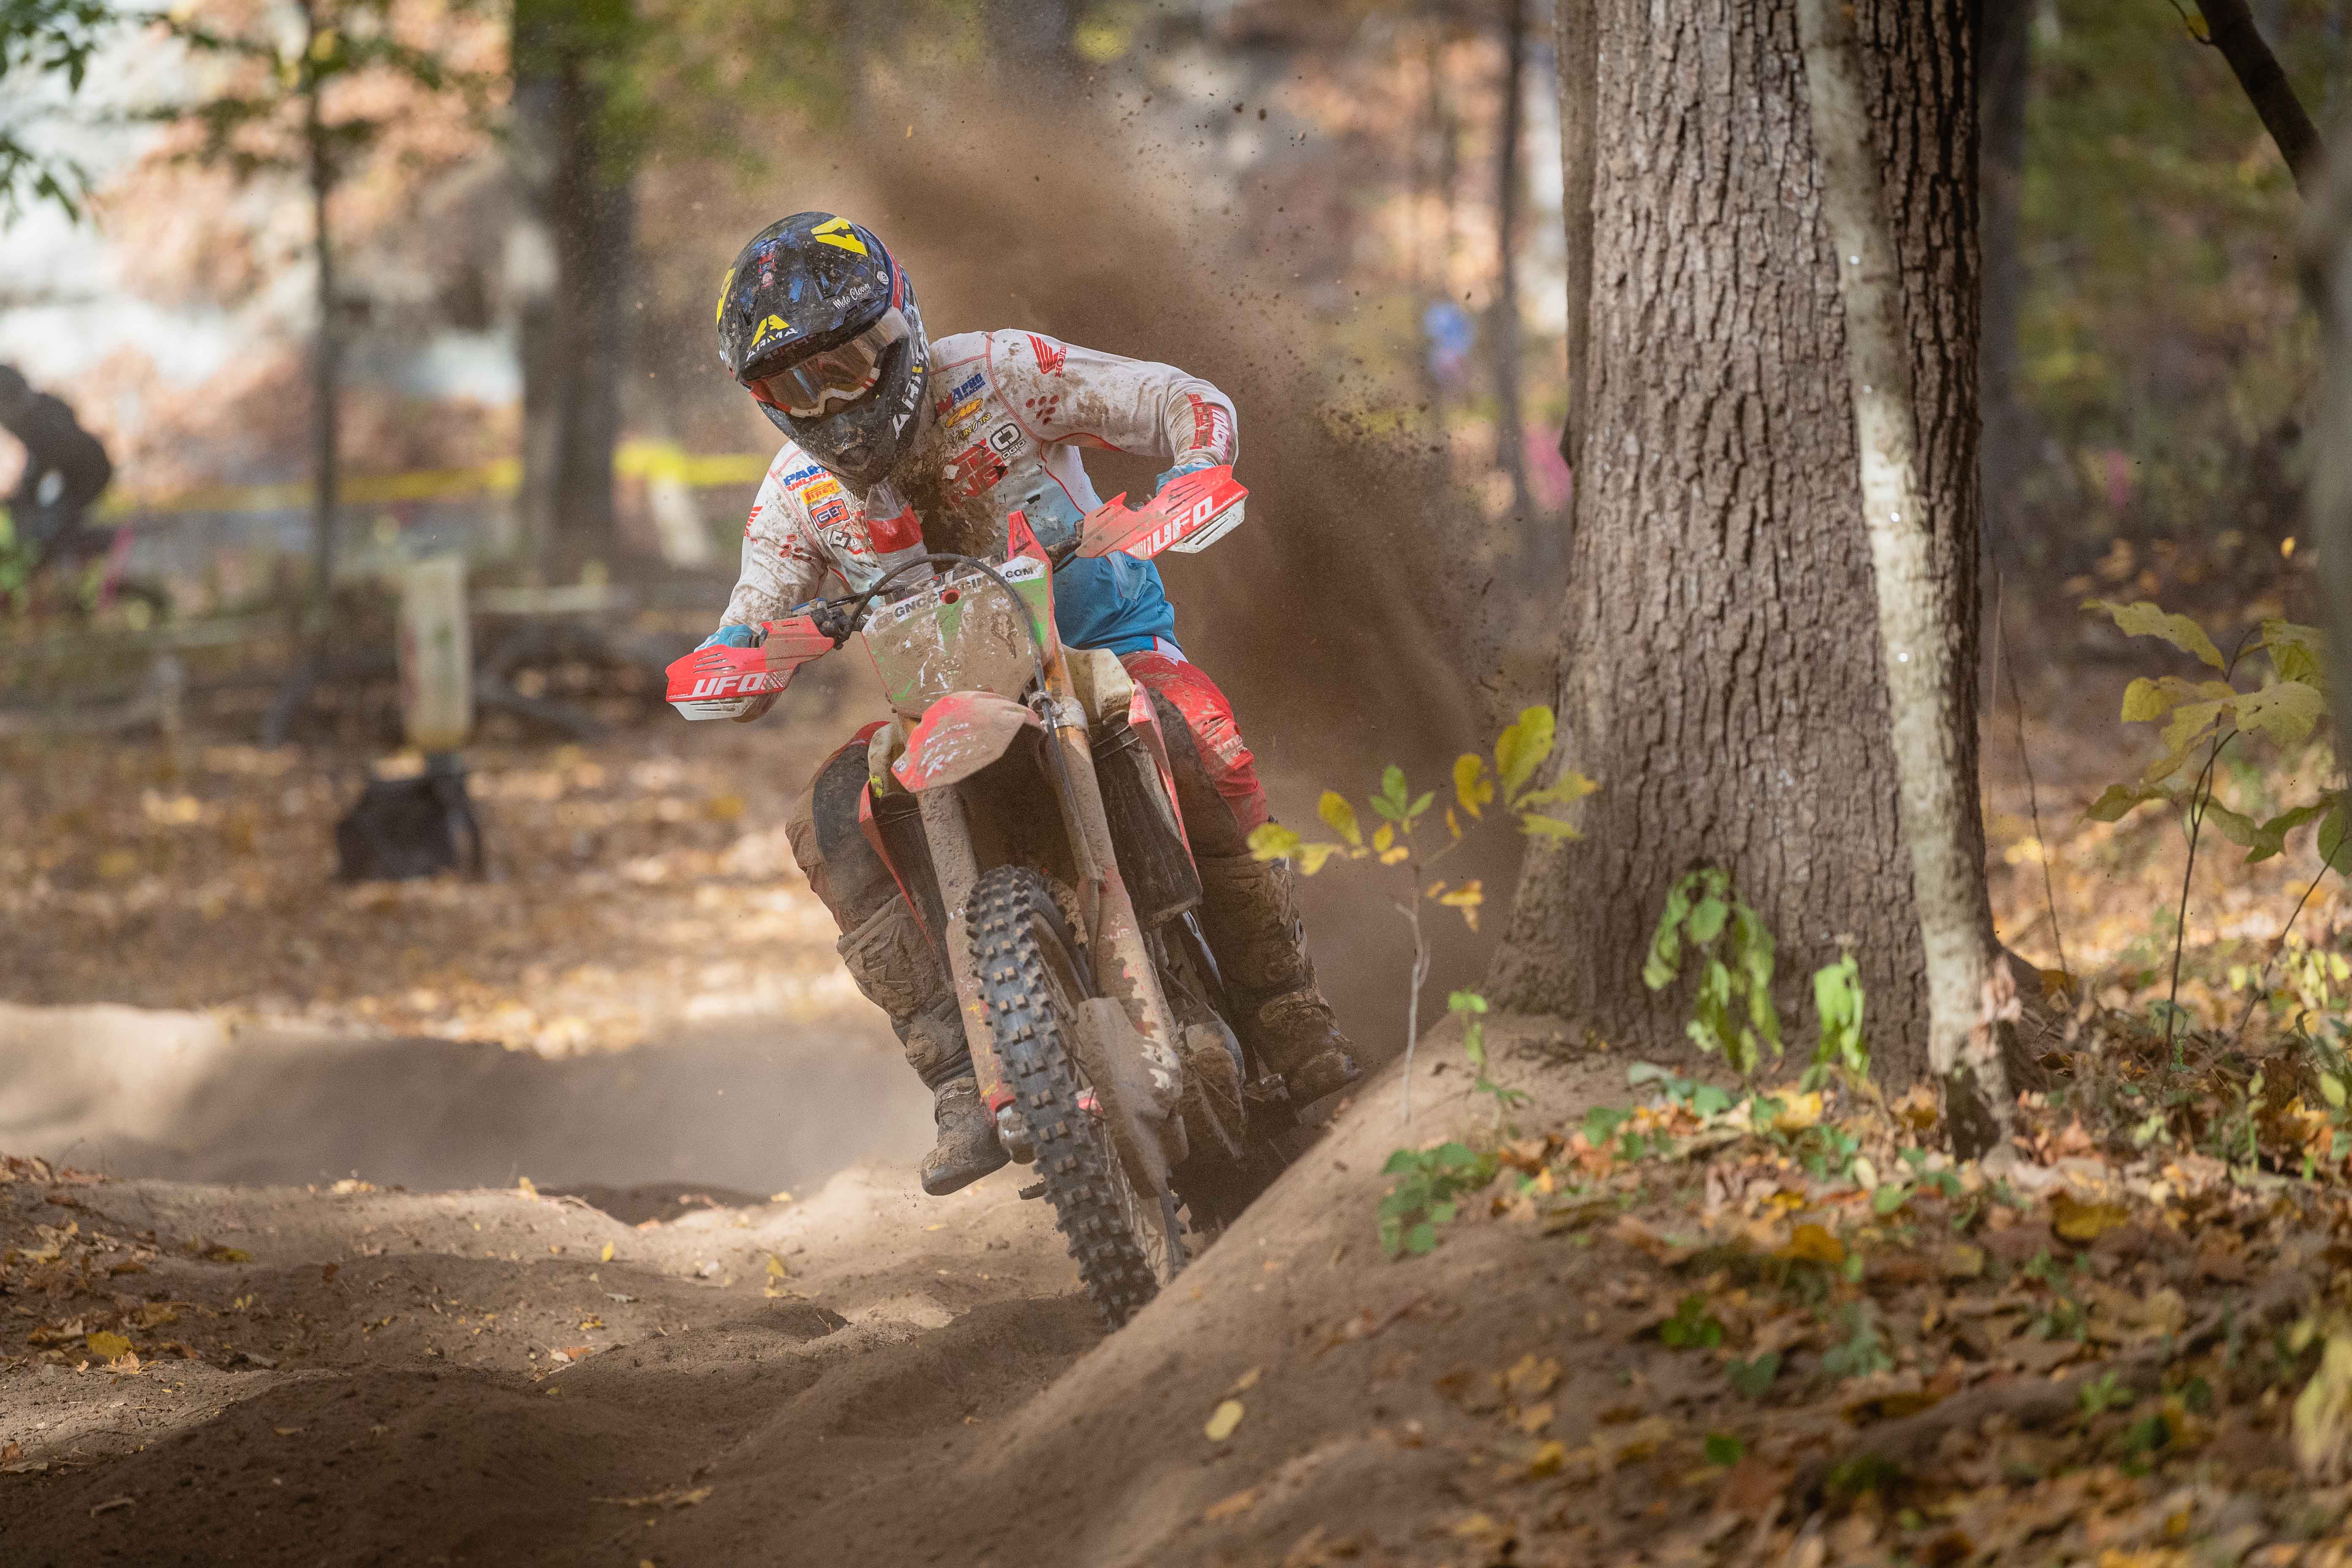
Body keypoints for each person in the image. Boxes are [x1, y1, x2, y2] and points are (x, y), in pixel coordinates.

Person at [704, 212, 1360, 1196]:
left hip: (1102, 647)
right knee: (830, 821)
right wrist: (734, 660)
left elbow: (1179, 399)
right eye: (796, 384)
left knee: (1191, 733)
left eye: (847, 365)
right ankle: (963, 1075)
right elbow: (748, 611)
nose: (832, 399)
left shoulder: (1002, 373)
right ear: (765, 400)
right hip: (943, 701)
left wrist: (1193, 472)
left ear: (901, 331)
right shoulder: (798, 492)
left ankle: (1290, 1020)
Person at [0, 365, 113, 567]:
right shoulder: (36, 415)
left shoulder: (39, 419)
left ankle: (84, 555)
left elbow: (56, 459)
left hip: (86, 472)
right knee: (36, 516)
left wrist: (32, 493)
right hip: (73, 473)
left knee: (48, 522)